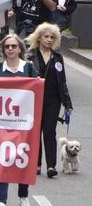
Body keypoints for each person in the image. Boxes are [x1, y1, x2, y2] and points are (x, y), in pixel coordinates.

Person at [0, 33, 39, 206]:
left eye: (14, 46)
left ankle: (23, 195)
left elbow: (36, 91)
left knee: (22, 159)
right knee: (3, 161)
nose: (10, 49)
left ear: (20, 49)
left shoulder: (29, 68)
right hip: (2, 124)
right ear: (3, 50)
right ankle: (1, 201)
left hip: (24, 124)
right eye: (7, 46)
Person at [26, 23, 72, 179]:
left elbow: (62, 81)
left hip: (53, 99)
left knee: (50, 131)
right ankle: (36, 164)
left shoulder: (57, 57)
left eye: (52, 37)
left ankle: (51, 165)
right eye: (46, 36)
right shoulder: (30, 55)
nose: (49, 40)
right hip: (34, 99)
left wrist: (67, 104)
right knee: (35, 131)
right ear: (39, 37)